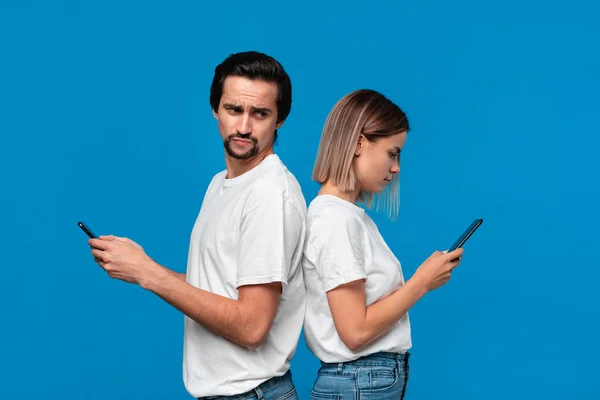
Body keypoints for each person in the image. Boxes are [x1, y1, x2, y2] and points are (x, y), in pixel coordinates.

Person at [88, 51, 307, 400]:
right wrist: (139, 266)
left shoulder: (269, 195)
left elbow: (251, 326)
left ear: (279, 119)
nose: (244, 127)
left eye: (260, 113)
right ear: (215, 109)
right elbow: (219, 289)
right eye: (234, 109)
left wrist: (148, 273)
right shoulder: (222, 183)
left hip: (252, 393)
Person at [302, 89, 464, 399]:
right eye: (393, 153)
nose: (396, 167)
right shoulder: (336, 221)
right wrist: (421, 283)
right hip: (359, 380)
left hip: (364, 380)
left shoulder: (350, 217)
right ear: (359, 143)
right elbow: (355, 332)